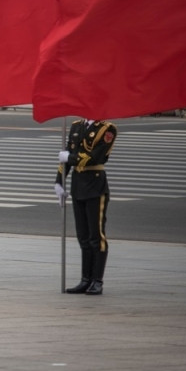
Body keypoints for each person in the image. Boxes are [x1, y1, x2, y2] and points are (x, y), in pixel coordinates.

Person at [55, 118, 117, 295]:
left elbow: (95, 157)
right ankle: (85, 279)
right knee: (83, 236)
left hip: (95, 186)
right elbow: (67, 154)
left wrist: (71, 158)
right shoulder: (76, 125)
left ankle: (97, 280)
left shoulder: (107, 128)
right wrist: (59, 182)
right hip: (78, 185)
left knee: (96, 236)